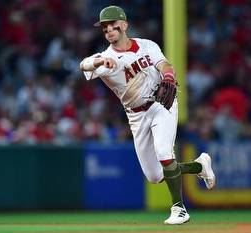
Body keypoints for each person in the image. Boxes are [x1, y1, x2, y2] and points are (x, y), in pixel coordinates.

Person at [80, 5, 216, 225]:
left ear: (124, 25)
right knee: (155, 176)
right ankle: (199, 166)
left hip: (161, 104)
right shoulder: (105, 58)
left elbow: (164, 64)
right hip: (136, 116)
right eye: (104, 29)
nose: (108, 31)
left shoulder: (146, 45)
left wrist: (169, 77)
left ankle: (178, 208)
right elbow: (83, 65)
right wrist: (98, 61)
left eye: (112, 26)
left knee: (164, 153)